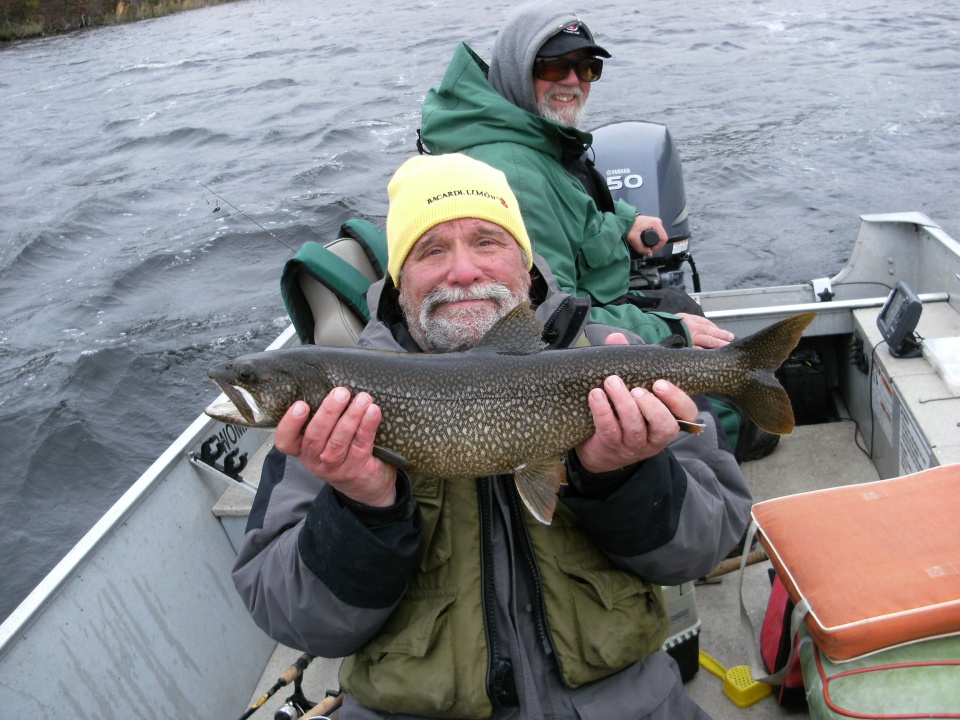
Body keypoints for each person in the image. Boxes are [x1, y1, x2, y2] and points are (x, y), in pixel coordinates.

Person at [232, 153, 752, 719]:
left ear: (525, 264)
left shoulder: (611, 356)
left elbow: (713, 539)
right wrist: (362, 510)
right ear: (399, 280)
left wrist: (626, 477)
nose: (463, 272)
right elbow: (291, 615)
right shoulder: (331, 416)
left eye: (487, 242)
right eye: (432, 250)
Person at [418, 0, 779, 460]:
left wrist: (626, 221)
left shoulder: (535, 136)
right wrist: (665, 333)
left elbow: (577, 210)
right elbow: (551, 317)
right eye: (554, 67)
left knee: (686, 312)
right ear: (516, 72)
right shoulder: (517, 173)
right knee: (725, 413)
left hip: (605, 299)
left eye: (586, 68)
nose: (572, 81)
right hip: (576, 344)